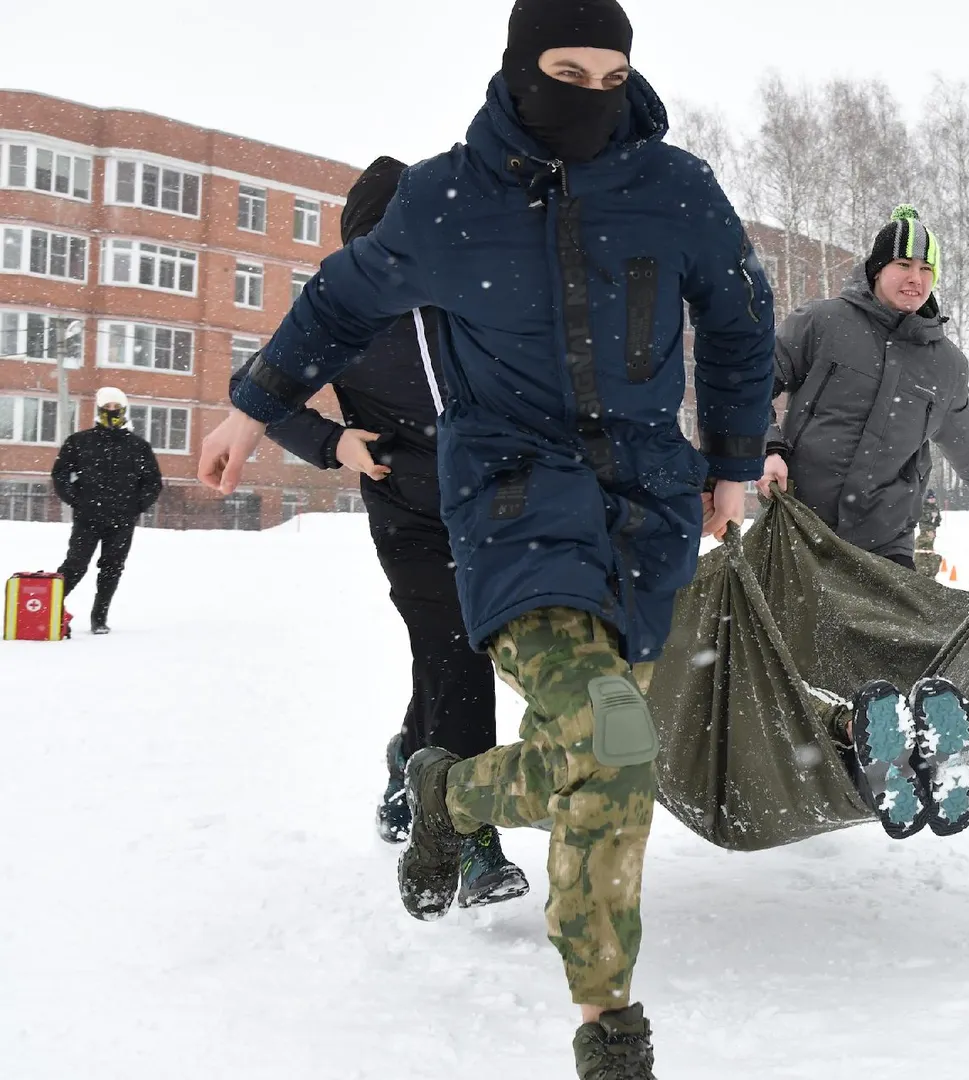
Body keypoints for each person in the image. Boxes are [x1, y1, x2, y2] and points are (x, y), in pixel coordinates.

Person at [195, 2, 772, 1074]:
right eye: (565, 69)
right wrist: (251, 404)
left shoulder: (674, 189)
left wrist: (733, 461)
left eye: (610, 75)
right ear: (518, 69)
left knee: (600, 757)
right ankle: (608, 1016)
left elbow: (742, 319)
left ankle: (448, 792)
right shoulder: (446, 198)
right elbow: (337, 299)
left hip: (646, 505)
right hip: (512, 498)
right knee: (612, 736)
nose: (589, 95)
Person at [243, 157, 526, 907]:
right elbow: (260, 388)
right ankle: (470, 836)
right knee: (456, 654)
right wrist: (333, 443)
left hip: (489, 508)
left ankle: (411, 755)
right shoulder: (340, 313)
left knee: (454, 655)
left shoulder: (472, 298)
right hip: (407, 512)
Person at [758, 205, 969, 570]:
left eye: (926, 269)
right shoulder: (823, 322)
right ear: (877, 268)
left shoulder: (946, 365)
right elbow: (752, 386)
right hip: (799, 523)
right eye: (903, 264)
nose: (915, 277)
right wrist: (768, 449)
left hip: (886, 542)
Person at [52, 387, 161, 634]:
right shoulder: (79, 442)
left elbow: (152, 482)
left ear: (124, 411)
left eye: (116, 408)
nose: (112, 412)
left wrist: (136, 507)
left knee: (112, 569)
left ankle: (99, 618)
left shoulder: (138, 446)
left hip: (122, 521)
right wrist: (77, 501)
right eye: (107, 407)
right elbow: (60, 474)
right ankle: (48, 606)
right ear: (99, 409)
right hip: (87, 518)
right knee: (75, 565)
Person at [913, 489, 943, 577]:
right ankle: (923, 568)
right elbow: (922, 519)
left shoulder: (935, 507)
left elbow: (938, 520)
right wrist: (930, 515)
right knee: (923, 547)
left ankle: (929, 568)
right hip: (925, 530)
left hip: (933, 530)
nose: (932, 500)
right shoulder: (924, 507)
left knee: (929, 549)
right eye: (930, 498)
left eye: (933, 498)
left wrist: (936, 519)